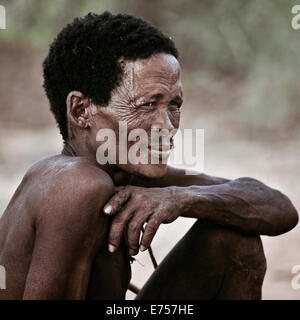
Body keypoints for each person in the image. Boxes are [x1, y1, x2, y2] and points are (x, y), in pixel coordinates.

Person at [0, 12, 298, 300]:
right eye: (147, 105)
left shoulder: (126, 174)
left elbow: (278, 209)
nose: (167, 126)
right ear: (81, 110)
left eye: (174, 104)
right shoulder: (76, 184)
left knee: (233, 240)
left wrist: (178, 199)